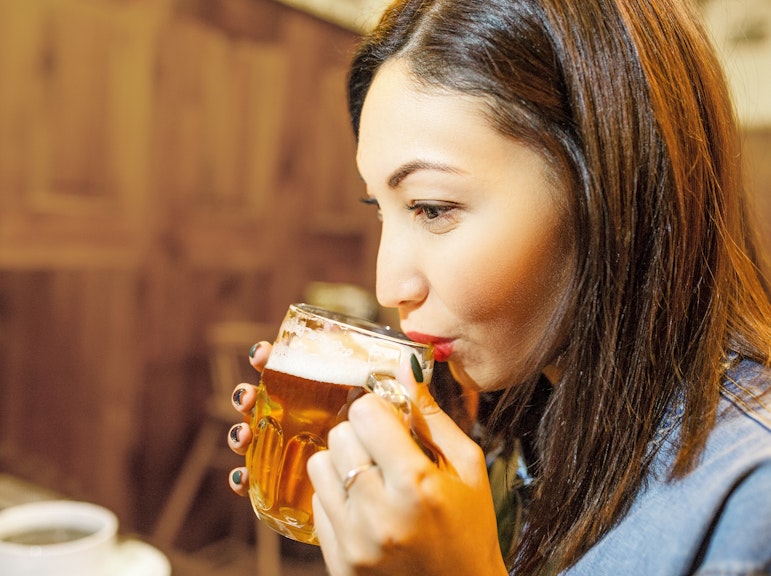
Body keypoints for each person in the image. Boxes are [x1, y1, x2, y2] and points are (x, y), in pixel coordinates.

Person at [224, 0, 771, 574]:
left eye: (432, 208)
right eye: (380, 209)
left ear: (611, 189)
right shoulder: (535, 418)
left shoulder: (749, 498)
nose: (388, 286)